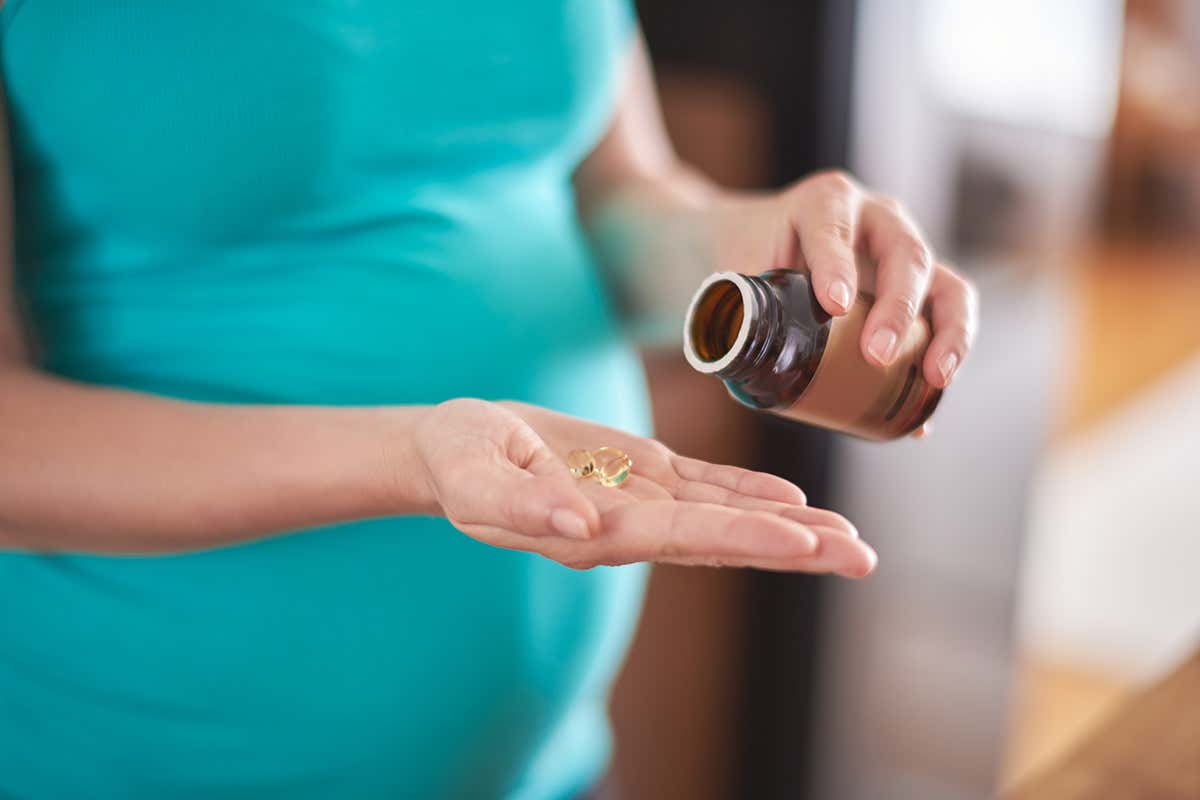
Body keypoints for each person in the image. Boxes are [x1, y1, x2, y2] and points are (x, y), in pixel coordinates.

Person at [0, 2, 977, 798]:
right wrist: (411, 455)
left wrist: (756, 245)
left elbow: (609, 201)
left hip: (543, 766)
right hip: (150, 749)